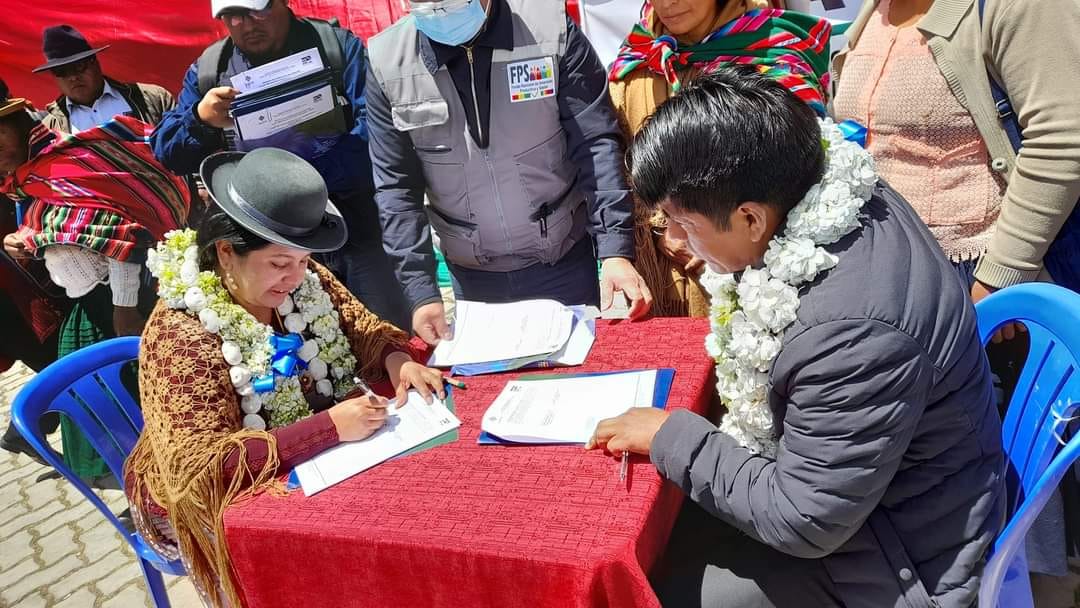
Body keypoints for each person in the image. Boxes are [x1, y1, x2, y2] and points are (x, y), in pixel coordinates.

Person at [588, 67, 1004, 607]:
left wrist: (673, 436)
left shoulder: (848, 335)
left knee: (650, 581)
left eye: (683, 223)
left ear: (751, 219)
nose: (672, 240)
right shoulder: (818, 182)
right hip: (872, 498)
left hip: (899, 556)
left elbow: (805, 520)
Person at [124, 147, 446, 608]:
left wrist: (398, 360)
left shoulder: (304, 278)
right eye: (279, 264)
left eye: (303, 260)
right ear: (226, 252)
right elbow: (202, 470)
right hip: (217, 496)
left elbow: (362, 329)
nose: (296, 277)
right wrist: (327, 428)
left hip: (307, 456)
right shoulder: (180, 334)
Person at [830, 0, 1080, 581]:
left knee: (1005, 486)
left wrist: (999, 279)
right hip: (900, 285)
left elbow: (1063, 139)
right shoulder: (879, 11)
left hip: (979, 282)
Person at [366, 0, 653, 346]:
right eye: (427, 5)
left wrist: (614, 250)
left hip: (562, 262)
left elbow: (595, 143)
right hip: (473, 278)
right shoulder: (387, 61)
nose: (440, 12)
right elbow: (396, 188)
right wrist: (421, 291)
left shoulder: (550, 29)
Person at [150, 0, 412, 331]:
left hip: (358, 232)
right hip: (270, 247)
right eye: (233, 17)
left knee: (386, 334)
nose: (247, 24)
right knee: (303, 348)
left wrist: (303, 181)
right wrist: (200, 119)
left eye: (256, 11)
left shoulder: (335, 47)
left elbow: (381, 131)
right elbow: (167, 151)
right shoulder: (210, 70)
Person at [608, 0, 833, 317]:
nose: (667, 3)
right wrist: (662, 224)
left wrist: (709, 228)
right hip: (657, 283)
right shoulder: (640, 55)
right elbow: (611, 158)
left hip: (754, 286)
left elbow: (792, 169)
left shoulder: (771, 54)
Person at [2, 106, 190, 485]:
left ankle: (173, 480)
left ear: (18, 126)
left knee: (144, 403)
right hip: (88, 306)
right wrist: (26, 240)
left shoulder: (65, 168)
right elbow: (67, 230)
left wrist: (125, 309)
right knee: (108, 409)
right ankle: (149, 486)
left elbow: (123, 237)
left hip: (117, 306)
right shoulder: (34, 179)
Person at [0, 79, 66, 465]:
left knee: (64, 366)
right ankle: (25, 430)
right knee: (63, 369)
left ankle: (25, 431)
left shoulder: (44, 160)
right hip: (13, 303)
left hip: (40, 289)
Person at [32, 25, 176, 134]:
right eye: (61, 72)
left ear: (95, 63)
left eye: (79, 66)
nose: (73, 77)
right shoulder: (49, 128)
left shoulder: (153, 99)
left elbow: (178, 147)